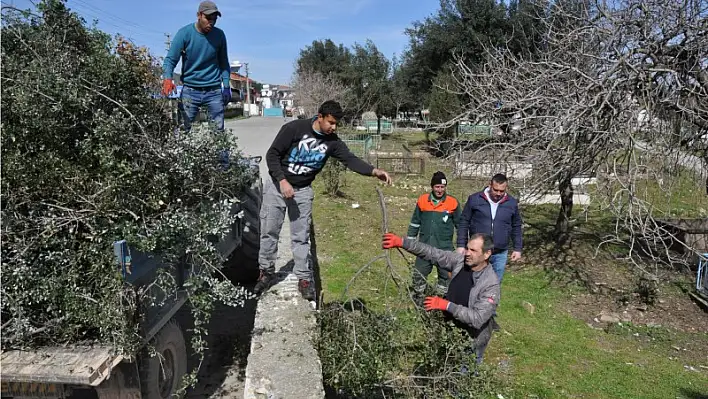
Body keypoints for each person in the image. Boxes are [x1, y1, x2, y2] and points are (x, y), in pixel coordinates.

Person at [254, 100, 393, 300]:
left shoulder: (332, 142)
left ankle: (303, 278)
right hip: (277, 187)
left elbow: (350, 159)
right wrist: (282, 181)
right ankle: (266, 272)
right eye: (331, 122)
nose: (333, 128)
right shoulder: (294, 129)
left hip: (302, 191)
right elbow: (272, 155)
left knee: (301, 237)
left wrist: (374, 171)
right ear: (320, 117)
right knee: (269, 231)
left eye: (336, 124)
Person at [382, 232, 500, 366]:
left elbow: (477, 318)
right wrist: (403, 243)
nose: (467, 253)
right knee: (444, 366)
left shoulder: (491, 284)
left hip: (471, 340)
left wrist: (446, 305)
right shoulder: (460, 262)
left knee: (463, 373)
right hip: (450, 331)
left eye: (473, 250)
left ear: (487, 254)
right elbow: (434, 254)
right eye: (467, 248)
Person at [161, 1, 232, 132]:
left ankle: (220, 154)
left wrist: (226, 86)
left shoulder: (219, 35)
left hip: (214, 91)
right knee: (183, 130)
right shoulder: (184, 34)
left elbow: (224, 63)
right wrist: (167, 78)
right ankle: (181, 152)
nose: (211, 22)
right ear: (199, 15)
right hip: (190, 90)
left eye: (214, 19)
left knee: (218, 132)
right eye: (208, 18)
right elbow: (170, 60)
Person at [456, 173, 523, 284]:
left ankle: (491, 301)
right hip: (478, 251)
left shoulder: (511, 203)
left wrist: (517, 248)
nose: (498, 194)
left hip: (499, 252)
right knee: (473, 281)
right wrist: (461, 245)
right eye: (495, 190)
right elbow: (464, 222)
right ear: (490, 185)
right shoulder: (475, 199)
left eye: (502, 191)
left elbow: (516, 226)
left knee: (494, 284)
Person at [406, 171, 461, 301]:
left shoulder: (453, 203)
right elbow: (415, 221)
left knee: (445, 276)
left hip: (444, 247)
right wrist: (410, 240)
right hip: (424, 245)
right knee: (419, 273)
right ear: (432, 187)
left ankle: (441, 300)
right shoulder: (422, 200)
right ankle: (419, 299)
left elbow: (461, 225)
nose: (440, 190)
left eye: (442, 187)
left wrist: (462, 245)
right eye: (437, 187)